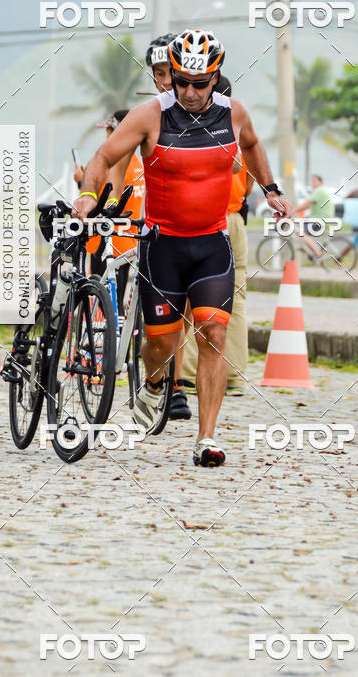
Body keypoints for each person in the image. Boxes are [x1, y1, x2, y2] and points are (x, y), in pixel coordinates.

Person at [73, 29, 288, 466]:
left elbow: (252, 146)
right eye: (180, 81)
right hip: (162, 247)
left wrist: (271, 188)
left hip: (211, 245)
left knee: (214, 332)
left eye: (199, 83)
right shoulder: (149, 115)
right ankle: (154, 384)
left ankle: (206, 438)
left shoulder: (235, 114)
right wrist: (86, 197)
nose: (188, 92)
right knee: (161, 346)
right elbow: (101, 157)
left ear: (216, 78)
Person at [180, 75, 253, 397]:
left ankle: (185, 374)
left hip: (204, 219)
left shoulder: (195, 132)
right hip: (235, 218)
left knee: (187, 297)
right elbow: (248, 181)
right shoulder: (240, 131)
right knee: (234, 298)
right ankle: (232, 373)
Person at [145, 34, 192, 421]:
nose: (165, 81)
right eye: (158, 74)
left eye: (169, 73)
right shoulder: (146, 113)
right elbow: (113, 157)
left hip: (188, 225)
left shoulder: (203, 108)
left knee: (187, 310)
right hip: (143, 220)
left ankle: (177, 385)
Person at [73, 110, 145, 307]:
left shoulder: (115, 168)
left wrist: (82, 182)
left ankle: (111, 337)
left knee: (106, 306)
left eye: (109, 131)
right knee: (116, 301)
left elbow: (103, 203)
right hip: (128, 243)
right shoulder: (137, 163)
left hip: (108, 244)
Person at [291, 174, 334, 261]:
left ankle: (318, 253)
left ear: (320, 182)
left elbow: (307, 204)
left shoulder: (319, 190)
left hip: (320, 219)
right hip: (317, 218)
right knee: (297, 225)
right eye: (312, 181)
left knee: (301, 233)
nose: (312, 183)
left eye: (315, 181)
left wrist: (292, 211)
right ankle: (307, 247)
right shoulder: (319, 191)